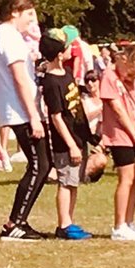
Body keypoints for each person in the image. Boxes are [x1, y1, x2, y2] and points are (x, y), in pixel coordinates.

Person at [0, 0, 50, 240]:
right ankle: (15, 222)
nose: (32, 20)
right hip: (20, 111)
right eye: (29, 14)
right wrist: (34, 116)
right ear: (14, 12)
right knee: (39, 166)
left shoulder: (7, 36)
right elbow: (19, 79)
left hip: (20, 109)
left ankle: (18, 220)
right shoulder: (8, 37)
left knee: (43, 165)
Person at [40, 28, 93, 240]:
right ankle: (63, 224)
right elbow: (56, 117)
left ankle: (70, 220)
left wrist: (86, 137)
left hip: (78, 138)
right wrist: (71, 144)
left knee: (73, 183)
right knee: (65, 182)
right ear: (60, 54)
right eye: (69, 47)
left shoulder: (67, 74)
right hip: (65, 143)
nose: (72, 50)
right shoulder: (51, 82)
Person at [101, 43, 135, 242]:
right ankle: (119, 225)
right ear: (125, 61)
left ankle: (130, 221)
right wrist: (134, 135)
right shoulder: (110, 76)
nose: (133, 79)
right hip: (120, 134)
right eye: (131, 74)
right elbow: (118, 110)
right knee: (126, 178)